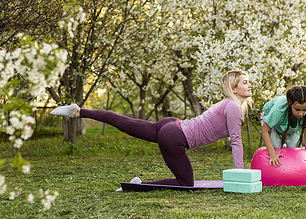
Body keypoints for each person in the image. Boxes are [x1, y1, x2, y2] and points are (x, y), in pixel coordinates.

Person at [51, 70, 253, 187]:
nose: (250, 85)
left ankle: (79, 112)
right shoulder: (233, 107)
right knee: (186, 183)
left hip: (172, 125)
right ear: (234, 89)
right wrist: (240, 175)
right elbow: (236, 140)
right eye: (245, 82)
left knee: (126, 124)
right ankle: (140, 186)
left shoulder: (228, 104)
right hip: (175, 136)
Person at [260, 85, 306, 175]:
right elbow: (265, 131)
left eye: (304, 110)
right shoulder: (279, 109)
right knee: (276, 146)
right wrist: (272, 154)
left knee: (295, 149)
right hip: (271, 122)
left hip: (288, 126)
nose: (300, 113)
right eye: (297, 109)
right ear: (290, 104)